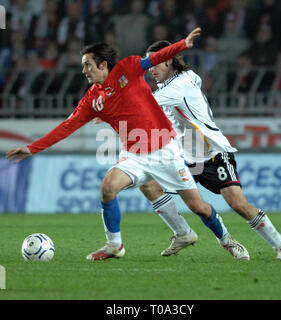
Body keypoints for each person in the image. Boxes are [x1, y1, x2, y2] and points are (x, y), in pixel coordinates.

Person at [6, 27, 249, 261]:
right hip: (134, 155)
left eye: (88, 65)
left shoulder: (128, 68)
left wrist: (181, 46)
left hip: (165, 150)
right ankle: (114, 245)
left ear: (103, 64)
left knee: (198, 206)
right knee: (108, 188)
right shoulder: (92, 99)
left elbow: (156, 57)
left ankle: (226, 240)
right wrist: (32, 148)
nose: (84, 71)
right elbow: (66, 126)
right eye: (83, 66)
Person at [138, 39, 281, 261]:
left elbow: (145, 106)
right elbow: (196, 79)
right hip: (186, 157)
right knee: (150, 184)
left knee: (239, 205)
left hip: (214, 154)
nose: (150, 69)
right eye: (148, 64)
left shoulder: (177, 86)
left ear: (169, 61)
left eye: (154, 63)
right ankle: (199, 236)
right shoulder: (185, 78)